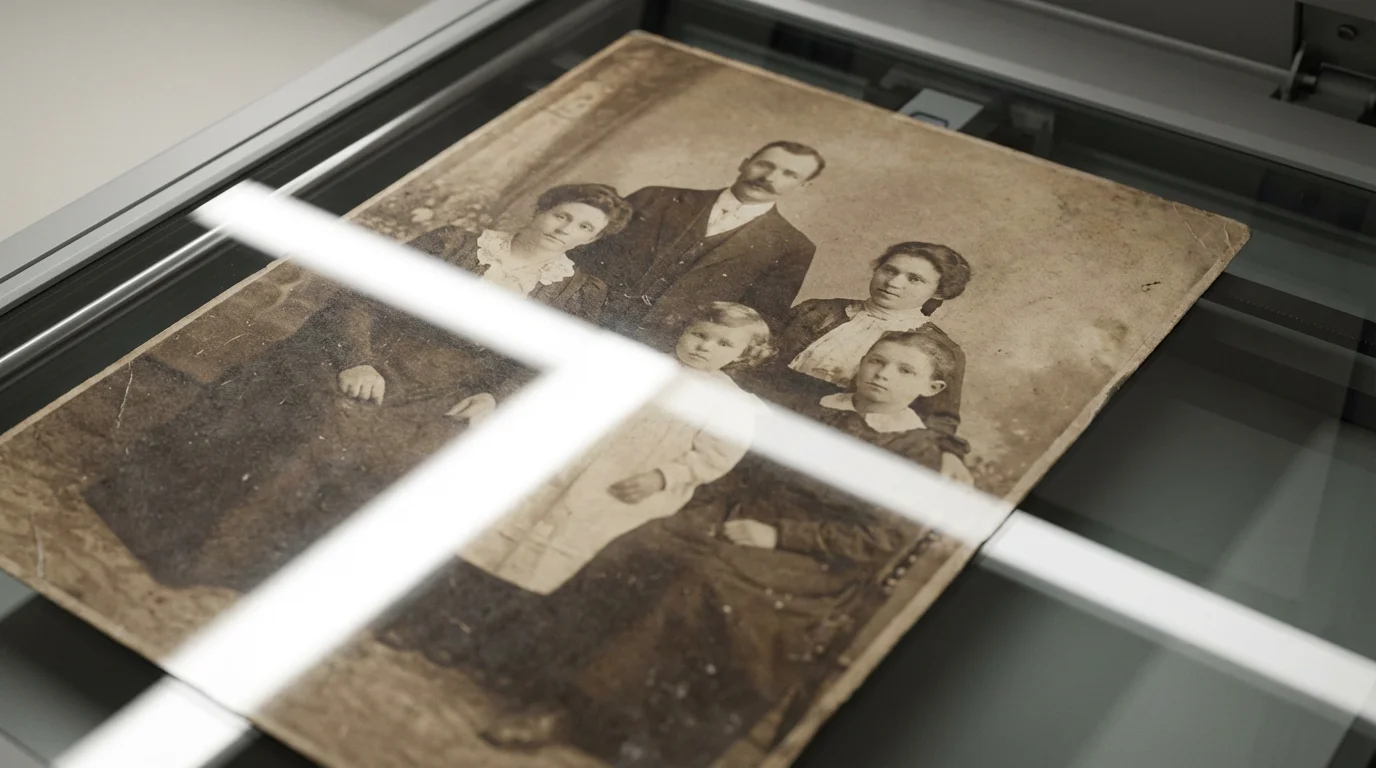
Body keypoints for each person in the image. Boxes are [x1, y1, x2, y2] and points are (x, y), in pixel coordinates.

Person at [83, 183, 633, 591]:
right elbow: (359, 299)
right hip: (359, 354)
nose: (566, 230)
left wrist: (495, 396)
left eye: (585, 228)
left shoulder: (579, 293)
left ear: (595, 239)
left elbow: (545, 361)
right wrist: (358, 361)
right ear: (541, 208)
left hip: (445, 388)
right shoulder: (455, 242)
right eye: (563, 215)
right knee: (326, 426)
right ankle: (195, 550)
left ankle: (274, 577)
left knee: (408, 459)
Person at [488, 329, 962, 767]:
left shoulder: (916, 450)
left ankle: (588, 720)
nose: (882, 374)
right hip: (736, 517)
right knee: (638, 544)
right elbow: (743, 469)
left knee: (703, 583)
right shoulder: (820, 408)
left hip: (812, 562)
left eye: (904, 371)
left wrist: (778, 536)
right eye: (877, 361)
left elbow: (879, 538)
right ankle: (541, 684)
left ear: (932, 389)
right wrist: (701, 508)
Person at [376, 303, 774, 701]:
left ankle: (469, 643)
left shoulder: (732, 405)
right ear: (683, 330)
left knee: (545, 560)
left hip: (620, 488)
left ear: (744, 356)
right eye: (699, 334)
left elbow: (714, 455)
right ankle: (427, 622)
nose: (705, 346)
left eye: (723, 343)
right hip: (564, 467)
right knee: (496, 537)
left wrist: (662, 476)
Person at [755, 241, 973, 481]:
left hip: (832, 442)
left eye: (914, 279)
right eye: (889, 270)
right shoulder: (817, 310)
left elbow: (940, 417)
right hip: (758, 412)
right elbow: (757, 358)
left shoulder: (938, 348)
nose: (893, 283)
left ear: (939, 291)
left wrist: (949, 454)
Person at [576, 141, 823, 347]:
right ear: (744, 163)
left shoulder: (792, 247)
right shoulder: (655, 197)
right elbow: (578, 251)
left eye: (789, 174)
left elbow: (755, 321)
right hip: (576, 318)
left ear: (803, 186)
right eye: (764, 165)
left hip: (664, 349)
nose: (769, 177)